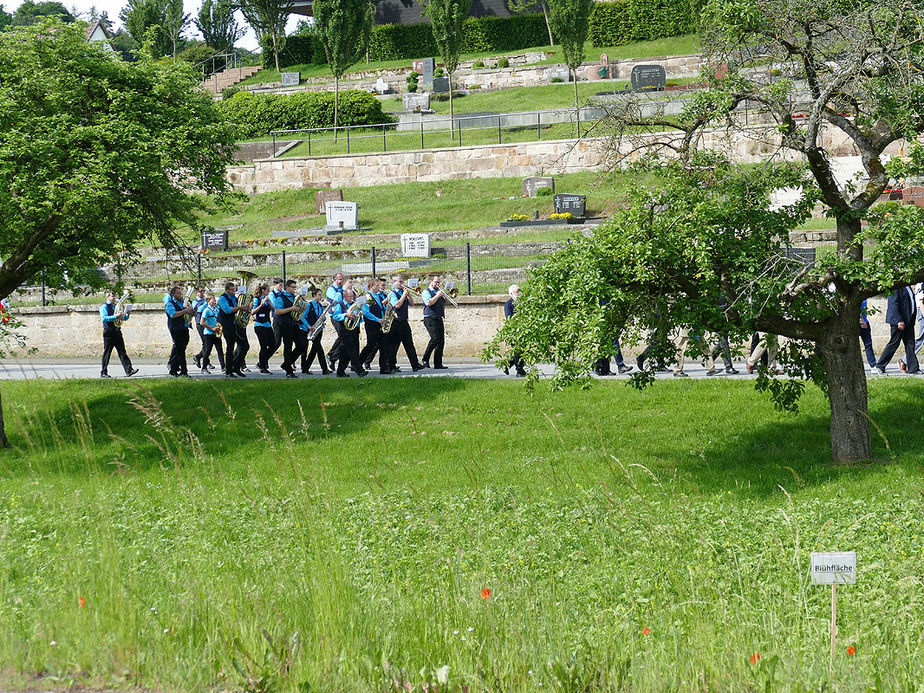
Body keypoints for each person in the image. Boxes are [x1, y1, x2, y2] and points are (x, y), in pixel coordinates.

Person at [874, 285, 920, 375]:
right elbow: (893, 304)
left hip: (908, 321)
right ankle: (880, 366)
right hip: (899, 321)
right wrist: (899, 320)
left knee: (910, 344)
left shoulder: (908, 287)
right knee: (894, 343)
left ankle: (913, 368)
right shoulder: (897, 287)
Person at [387, 275, 425, 373]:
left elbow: (411, 303)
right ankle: (391, 365)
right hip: (395, 321)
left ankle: (415, 364)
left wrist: (409, 295)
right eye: (400, 282)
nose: (402, 284)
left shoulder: (402, 292)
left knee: (409, 344)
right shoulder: (392, 293)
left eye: (402, 282)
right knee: (394, 345)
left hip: (404, 321)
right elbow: (397, 305)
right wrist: (404, 295)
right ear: (394, 282)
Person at [99, 291, 139, 378]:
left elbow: (123, 318)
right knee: (107, 353)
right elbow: (104, 318)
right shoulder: (104, 306)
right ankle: (103, 372)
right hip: (108, 332)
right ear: (107, 296)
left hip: (117, 331)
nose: (114, 297)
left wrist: (127, 315)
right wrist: (115, 316)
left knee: (122, 352)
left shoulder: (116, 306)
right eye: (112, 296)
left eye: (115, 295)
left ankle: (129, 370)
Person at [330, 288, 367, 377]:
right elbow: (335, 316)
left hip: (354, 330)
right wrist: (346, 315)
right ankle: (359, 370)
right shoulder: (340, 305)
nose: (352, 298)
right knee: (352, 351)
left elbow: (358, 318)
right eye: (350, 296)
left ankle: (340, 371)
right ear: (345, 297)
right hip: (345, 330)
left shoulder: (353, 305)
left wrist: (359, 316)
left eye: (352, 296)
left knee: (345, 353)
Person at [270, 278, 301, 378]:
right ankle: (289, 371)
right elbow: (277, 311)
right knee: (288, 347)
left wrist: (302, 309)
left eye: (295, 287)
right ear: (287, 287)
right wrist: (292, 308)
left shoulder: (295, 298)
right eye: (292, 287)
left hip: (294, 324)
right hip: (284, 324)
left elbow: (297, 312)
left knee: (302, 344)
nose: (294, 289)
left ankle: (286, 364)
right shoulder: (280, 298)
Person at [218, 282, 248, 378]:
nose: (234, 291)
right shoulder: (222, 298)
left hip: (237, 325)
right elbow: (227, 310)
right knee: (230, 347)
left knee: (244, 346)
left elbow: (239, 307)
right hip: (228, 326)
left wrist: (245, 307)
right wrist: (239, 307)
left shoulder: (234, 298)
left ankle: (236, 367)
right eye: (231, 289)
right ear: (226, 290)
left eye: (234, 289)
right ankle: (228, 371)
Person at [164, 285, 195, 377]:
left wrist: (193, 311)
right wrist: (185, 311)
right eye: (178, 293)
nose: (181, 295)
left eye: (181, 293)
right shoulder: (169, 303)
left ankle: (173, 369)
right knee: (180, 350)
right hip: (175, 328)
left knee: (180, 349)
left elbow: (189, 314)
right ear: (173, 295)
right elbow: (173, 314)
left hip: (184, 327)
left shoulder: (183, 302)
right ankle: (184, 371)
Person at [359, 277, 388, 373]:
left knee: (384, 346)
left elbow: (380, 309)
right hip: (371, 325)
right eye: (377, 285)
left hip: (380, 324)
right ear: (371, 286)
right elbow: (366, 312)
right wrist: (377, 319)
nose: (379, 287)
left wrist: (384, 318)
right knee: (370, 345)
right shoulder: (367, 297)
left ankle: (383, 368)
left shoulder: (378, 296)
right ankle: (358, 363)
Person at [421, 275, 450, 369]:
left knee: (441, 341)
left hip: (439, 317)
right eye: (436, 282)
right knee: (435, 338)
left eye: (438, 282)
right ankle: (425, 359)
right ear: (431, 281)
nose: (437, 284)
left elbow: (448, 302)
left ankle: (438, 363)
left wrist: (445, 296)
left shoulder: (439, 292)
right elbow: (429, 303)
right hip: (429, 318)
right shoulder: (426, 292)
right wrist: (437, 295)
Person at [299, 288, 331, 375]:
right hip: (311, 329)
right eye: (319, 295)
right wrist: (309, 326)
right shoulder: (309, 305)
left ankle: (305, 368)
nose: (321, 296)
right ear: (314, 296)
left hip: (318, 329)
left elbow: (320, 316)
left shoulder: (320, 306)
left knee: (314, 350)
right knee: (319, 349)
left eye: (321, 294)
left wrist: (323, 318)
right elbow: (302, 317)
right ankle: (324, 369)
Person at [503, 284, 527, 377]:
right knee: (518, 350)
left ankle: (507, 364)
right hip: (514, 330)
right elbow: (509, 317)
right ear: (511, 294)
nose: (519, 293)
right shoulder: (508, 303)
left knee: (523, 350)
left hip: (523, 329)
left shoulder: (522, 302)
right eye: (517, 292)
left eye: (519, 291)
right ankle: (520, 370)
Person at [251, 284, 275, 374]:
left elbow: (273, 309)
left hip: (268, 325)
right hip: (260, 325)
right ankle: (263, 367)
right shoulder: (256, 299)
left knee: (273, 345)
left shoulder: (267, 299)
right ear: (263, 290)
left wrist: (269, 303)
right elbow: (252, 312)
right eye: (268, 290)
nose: (269, 292)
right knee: (264, 346)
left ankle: (261, 363)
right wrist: (261, 305)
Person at [326, 273, 346, 371]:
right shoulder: (331, 289)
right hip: (335, 316)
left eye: (342, 279)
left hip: (344, 315)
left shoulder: (342, 289)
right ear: (335, 280)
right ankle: (331, 356)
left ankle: (333, 356)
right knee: (343, 337)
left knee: (344, 337)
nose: (341, 281)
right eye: (339, 279)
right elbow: (338, 300)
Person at [198, 294, 221, 374]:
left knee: (220, 350)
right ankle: (204, 368)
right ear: (208, 301)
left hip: (217, 333)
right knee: (207, 351)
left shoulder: (217, 309)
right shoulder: (206, 310)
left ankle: (223, 367)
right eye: (213, 299)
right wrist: (212, 328)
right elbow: (202, 322)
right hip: (208, 333)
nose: (215, 301)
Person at [859, 299, 877, 373]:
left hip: (865, 321)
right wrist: (861, 320)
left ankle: (873, 365)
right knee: (867, 344)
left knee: (868, 344)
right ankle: (872, 365)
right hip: (860, 322)